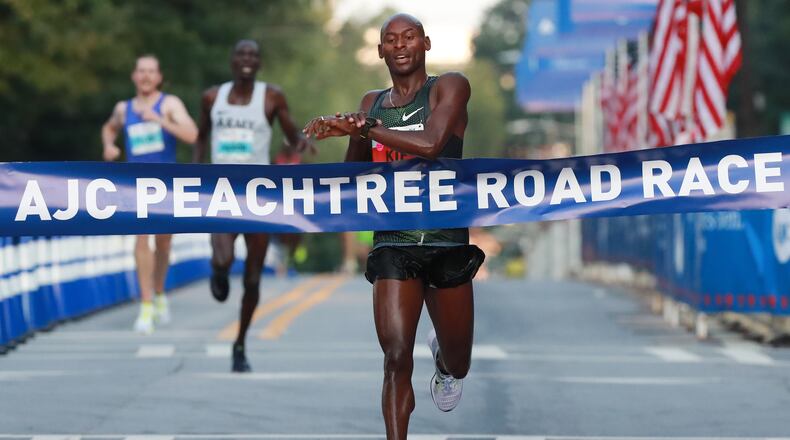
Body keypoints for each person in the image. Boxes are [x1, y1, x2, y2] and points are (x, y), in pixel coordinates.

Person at [303, 14, 485, 440]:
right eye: (391, 40)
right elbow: (355, 174)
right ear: (381, 50)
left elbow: (432, 144)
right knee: (396, 355)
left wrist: (365, 125)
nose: (400, 45)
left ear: (425, 44)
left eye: (409, 38)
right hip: (393, 242)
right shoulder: (372, 103)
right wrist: (352, 134)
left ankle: (443, 363)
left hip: (446, 240)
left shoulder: (449, 87)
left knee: (460, 361)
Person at [194, 39, 311, 372]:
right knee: (224, 258)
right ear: (232, 61)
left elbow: (290, 134)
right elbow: (201, 136)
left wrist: (302, 142)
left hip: (258, 196)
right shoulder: (212, 97)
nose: (247, 59)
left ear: (259, 63)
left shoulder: (271, 96)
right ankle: (218, 269)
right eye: (241, 54)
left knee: (252, 279)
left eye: (253, 55)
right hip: (220, 192)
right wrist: (194, 173)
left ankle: (240, 343)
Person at [101, 54, 198, 334]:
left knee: (164, 243)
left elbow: (193, 135)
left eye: (151, 71)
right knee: (142, 238)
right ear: (134, 75)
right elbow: (108, 128)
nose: (145, 76)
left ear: (158, 77)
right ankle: (145, 305)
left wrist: (160, 121)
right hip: (136, 184)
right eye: (141, 71)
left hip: (166, 184)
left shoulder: (169, 104)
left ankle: (158, 292)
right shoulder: (124, 108)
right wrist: (109, 146)